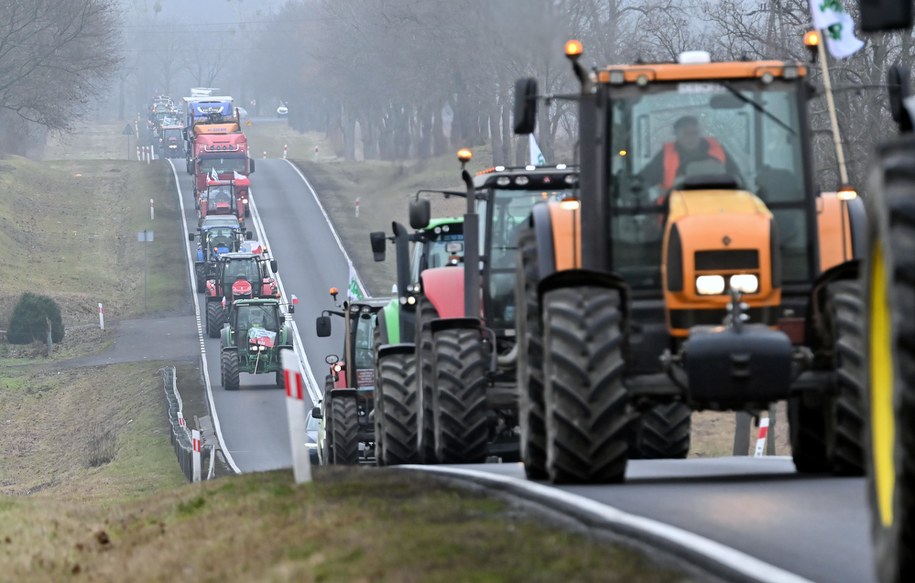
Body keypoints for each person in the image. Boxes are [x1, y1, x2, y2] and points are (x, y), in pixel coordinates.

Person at [639, 115, 742, 193]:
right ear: (677, 135)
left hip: (718, 208)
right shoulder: (665, 156)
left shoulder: (719, 151)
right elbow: (644, 179)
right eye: (687, 134)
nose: (692, 137)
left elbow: (737, 178)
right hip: (677, 211)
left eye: (695, 133)